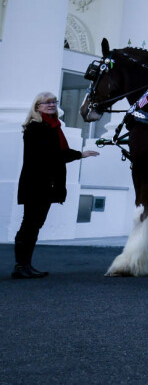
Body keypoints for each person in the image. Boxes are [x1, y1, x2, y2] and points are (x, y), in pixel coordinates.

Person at [12, 92, 98, 279]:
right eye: (47, 102)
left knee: (34, 225)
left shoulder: (52, 126)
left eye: (54, 102)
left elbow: (58, 153)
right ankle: (21, 266)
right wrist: (78, 155)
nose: (52, 105)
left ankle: (25, 265)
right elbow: (50, 154)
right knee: (30, 225)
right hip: (36, 184)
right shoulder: (36, 127)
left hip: (45, 184)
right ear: (37, 106)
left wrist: (80, 154)